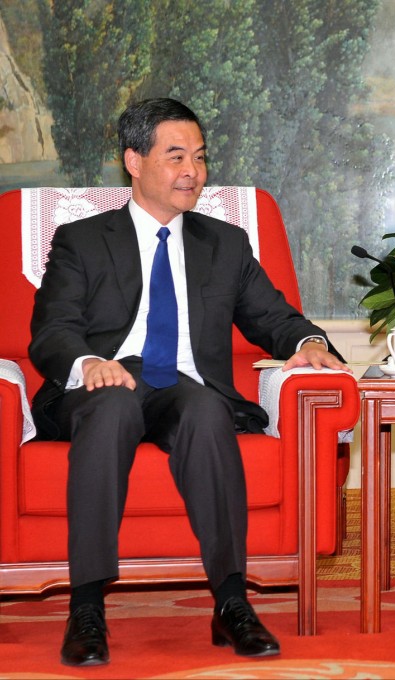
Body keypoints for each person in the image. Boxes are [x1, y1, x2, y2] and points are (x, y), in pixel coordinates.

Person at [29, 98, 350, 667]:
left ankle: (231, 602)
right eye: (176, 157)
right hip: (99, 386)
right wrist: (88, 363)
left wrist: (309, 344)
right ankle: (87, 608)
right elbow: (52, 331)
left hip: (182, 388)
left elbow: (274, 318)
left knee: (205, 409)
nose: (192, 172)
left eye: (200, 158)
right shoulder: (83, 240)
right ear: (134, 161)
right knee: (114, 404)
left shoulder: (223, 243)